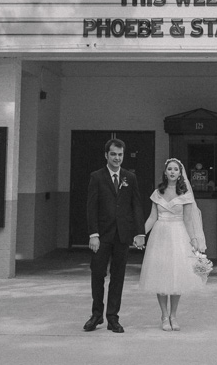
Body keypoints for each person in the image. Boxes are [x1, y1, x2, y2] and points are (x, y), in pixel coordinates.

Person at [83, 138, 145, 334]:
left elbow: (136, 205)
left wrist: (140, 232)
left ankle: (113, 317)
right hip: (101, 235)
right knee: (98, 274)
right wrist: (93, 234)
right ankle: (96, 314)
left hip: (122, 235)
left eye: (120, 155)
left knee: (118, 277)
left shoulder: (130, 177)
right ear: (106, 155)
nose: (117, 158)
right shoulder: (97, 177)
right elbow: (91, 207)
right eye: (113, 154)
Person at [138, 158, 207, 330]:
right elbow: (152, 217)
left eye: (176, 169)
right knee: (161, 274)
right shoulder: (157, 192)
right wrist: (140, 234)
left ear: (180, 172)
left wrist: (194, 240)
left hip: (178, 235)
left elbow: (188, 220)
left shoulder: (186, 194)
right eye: (170, 169)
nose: (172, 172)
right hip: (160, 236)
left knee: (177, 276)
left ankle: (173, 315)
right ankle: (163, 315)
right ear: (165, 172)